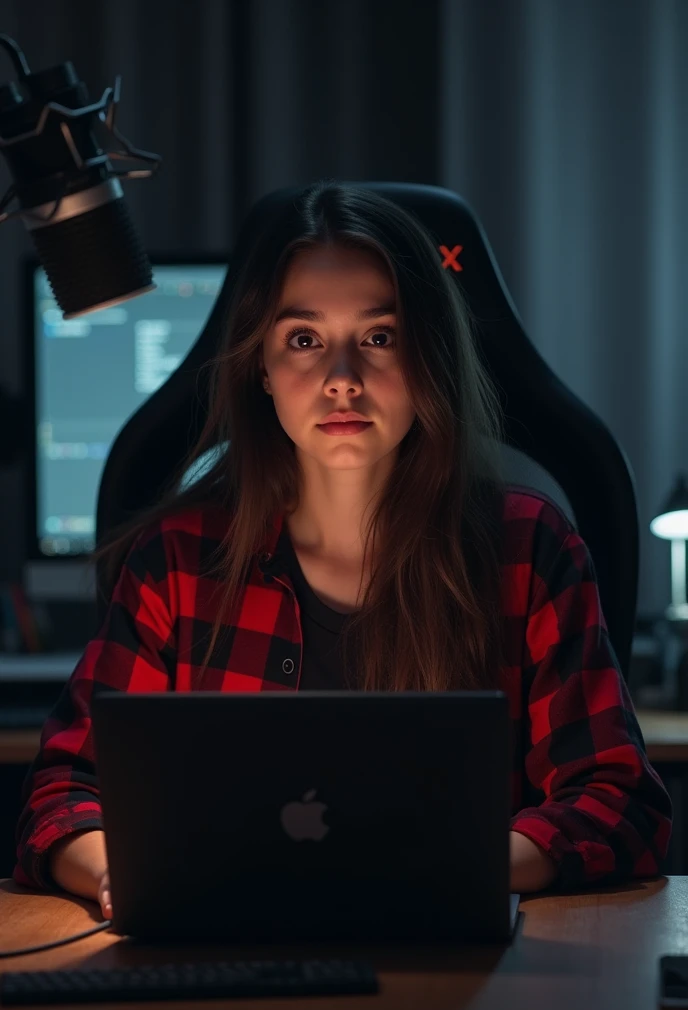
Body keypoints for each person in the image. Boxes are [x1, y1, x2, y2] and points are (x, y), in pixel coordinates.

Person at [14, 180, 672, 921]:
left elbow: (619, 803)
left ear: (431, 360)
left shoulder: (528, 548)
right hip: (220, 959)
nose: (341, 380)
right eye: (304, 340)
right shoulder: (177, 561)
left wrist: (459, 869)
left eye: (380, 338)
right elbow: (62, 792)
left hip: (459, 968)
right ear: (261, 366)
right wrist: (119, 874)